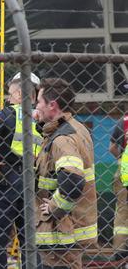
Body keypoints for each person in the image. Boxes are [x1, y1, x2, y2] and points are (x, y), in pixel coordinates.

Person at [0, 72, 43, 269]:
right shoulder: (41, 118)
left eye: (10, 94)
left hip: (6, 178)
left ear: (19, 94)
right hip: (32, 180)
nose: (8, 98)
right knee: (29, 236)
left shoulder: (8, 114)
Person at [34, 78, 97, 269]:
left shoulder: (62, 139)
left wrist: (54, 207)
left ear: (52, 105)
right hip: (70, 229)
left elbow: (72, 181)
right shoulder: (77, 129)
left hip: (61, 232)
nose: (36, 106)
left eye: (39, 102)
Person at [115, 114, 128, 259]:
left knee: (123, 210)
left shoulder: (123, 122)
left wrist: (121, 159)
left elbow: (112, 146)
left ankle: (120, 249)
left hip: (124, 172)